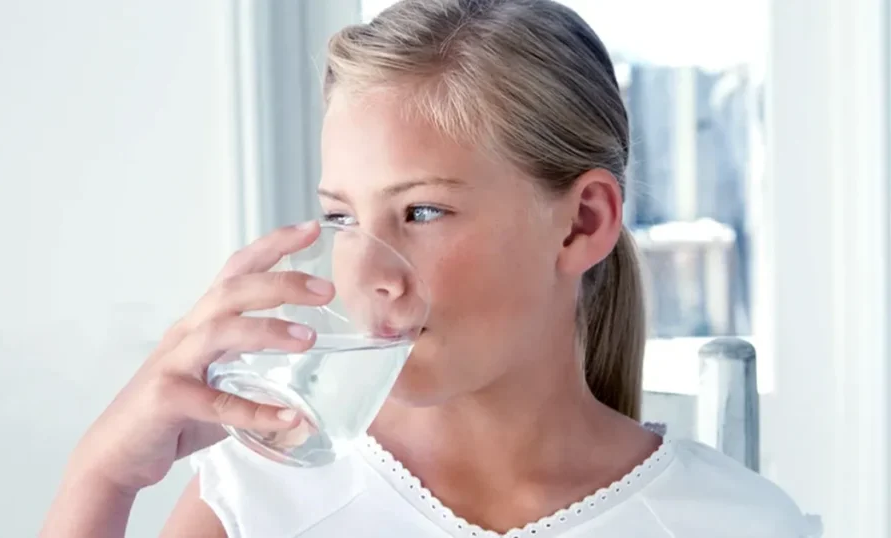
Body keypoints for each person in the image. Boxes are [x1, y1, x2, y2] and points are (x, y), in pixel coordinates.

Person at [40, 1, 821, 536]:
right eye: (344, 218)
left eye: (421, 213)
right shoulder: (260, 498)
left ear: (582, 223)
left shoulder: (735, 522)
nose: (368, 275)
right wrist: (101, 479)